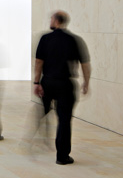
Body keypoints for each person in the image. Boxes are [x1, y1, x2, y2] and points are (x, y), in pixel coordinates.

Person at [34, 11, 91, 165]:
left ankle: (33, 142)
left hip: (48, 82)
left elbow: (39, 62)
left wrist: (36, 82)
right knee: (64, 120)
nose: (50, 21)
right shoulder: (74, 40)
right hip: (65, 84)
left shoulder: (45, 39)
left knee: (41, 111)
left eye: (51, 18)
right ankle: (62, 156)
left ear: (57, 21)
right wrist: (86, 82)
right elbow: (85, 64)